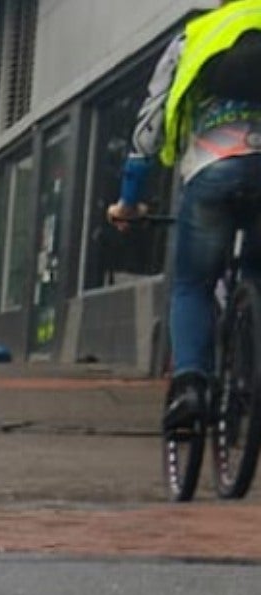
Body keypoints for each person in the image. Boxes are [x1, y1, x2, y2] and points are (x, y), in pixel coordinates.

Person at [109, 0, 261, 429]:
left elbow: (148, 129)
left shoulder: (194, 36)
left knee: (192, 284)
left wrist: (128, 201)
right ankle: (251, 377)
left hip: (213, 170)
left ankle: (191, 384)